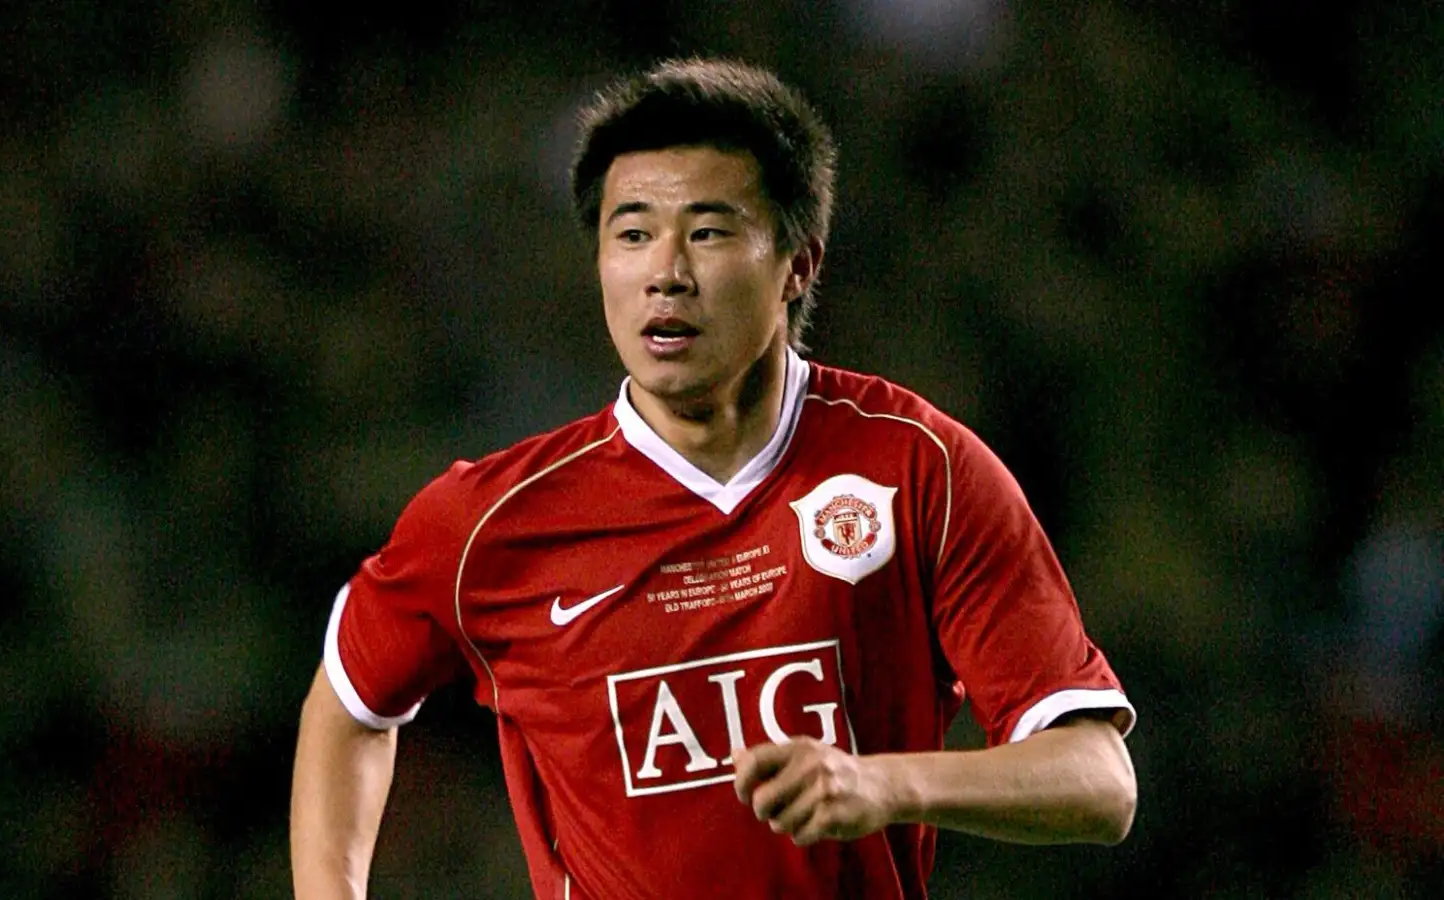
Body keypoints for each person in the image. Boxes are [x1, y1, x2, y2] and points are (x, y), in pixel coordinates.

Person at [290, 57, 1138, 900]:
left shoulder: (920, 468)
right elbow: (351, 703)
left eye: (707, 231)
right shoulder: (490, 523)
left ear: (798, 265)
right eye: (631, 234)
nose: (666, 271)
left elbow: (1100, 780)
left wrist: (888, 784)